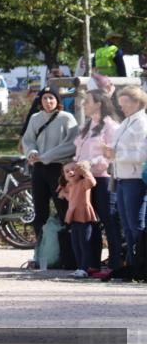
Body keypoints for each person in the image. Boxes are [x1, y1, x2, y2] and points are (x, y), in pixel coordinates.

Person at [71, 91, 122, 276]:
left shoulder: (111, 126)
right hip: (85, 180)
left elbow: (112, 155)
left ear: (99, 104)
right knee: (88, 222)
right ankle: (91, 264)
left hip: (103, 179)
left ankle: (116, 265)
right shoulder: (87, 125)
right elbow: (79, 151)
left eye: (88, 101)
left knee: (110, 222)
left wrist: (91, 163)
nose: (84, 104)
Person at [21, 87, 78, 249]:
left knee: (63, 209)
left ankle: (68, 251)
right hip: (39, 168)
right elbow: (28, 140)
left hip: (58, 168)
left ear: (58, 101)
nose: (48, 102)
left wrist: (46, 156)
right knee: (40, 210)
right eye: (45, 98)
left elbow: (71, 144)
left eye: (51, 98)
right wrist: (32, 152)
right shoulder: (35, 118)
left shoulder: (67, 118)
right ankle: (41, 249)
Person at [102, 86, 147, 271]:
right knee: (126, 225)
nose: (122, 108)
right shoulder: (127, 122)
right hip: (121, 178)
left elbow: (141, 155)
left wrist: (115, 154)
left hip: (135, 179)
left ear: (137, 102)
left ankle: (142, 263)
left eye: (125, 103)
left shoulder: (142, 124)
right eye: (121, 104)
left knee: (136, 224)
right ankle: (133, 263)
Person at [58, 162, 98, 278]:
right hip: (73, 217)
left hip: (84, 216)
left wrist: (85, 171)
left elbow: (92, 182)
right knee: (76, 244)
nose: (70, 172)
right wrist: (63, 193)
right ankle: (80, 267)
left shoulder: (83, 183)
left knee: (84, 243)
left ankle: (84, 268)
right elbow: (71, 197)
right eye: (67, 171)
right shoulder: (70, 186)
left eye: (74, 169)